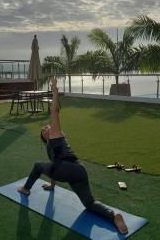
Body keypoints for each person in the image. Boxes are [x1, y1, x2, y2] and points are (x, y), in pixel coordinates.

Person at [17, 77, 128, 235]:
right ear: (45, 137)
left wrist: (55, 91)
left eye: (47, 126)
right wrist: (52, 185)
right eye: (44, 129)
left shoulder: (56, 135)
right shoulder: (53, 144)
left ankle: (26, 189)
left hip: (67, 169)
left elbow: (54, 111)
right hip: (78, 171)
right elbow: (54, 166)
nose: (47, 126)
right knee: (89, 204)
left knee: (37, 165)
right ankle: (114, 216)